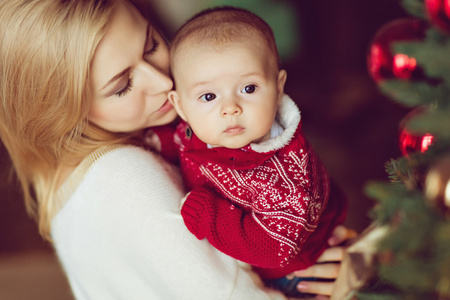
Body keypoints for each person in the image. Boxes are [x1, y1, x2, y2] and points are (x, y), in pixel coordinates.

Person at [0, 0, 355, 299]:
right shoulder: (127, 177)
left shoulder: (89, 168)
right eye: (122, 85)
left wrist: (312, 233)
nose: (163, 82)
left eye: (151, 45)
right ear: (61, 111)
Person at [167, 7, 348, 298]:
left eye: (249, 88)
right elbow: (177, 142)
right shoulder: (196, 128)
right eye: (209, 96)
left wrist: (207, 214)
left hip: (291, 274)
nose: (230, 108)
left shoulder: (285, 179)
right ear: (180, 106)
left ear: (277, 88)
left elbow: (272, 249)